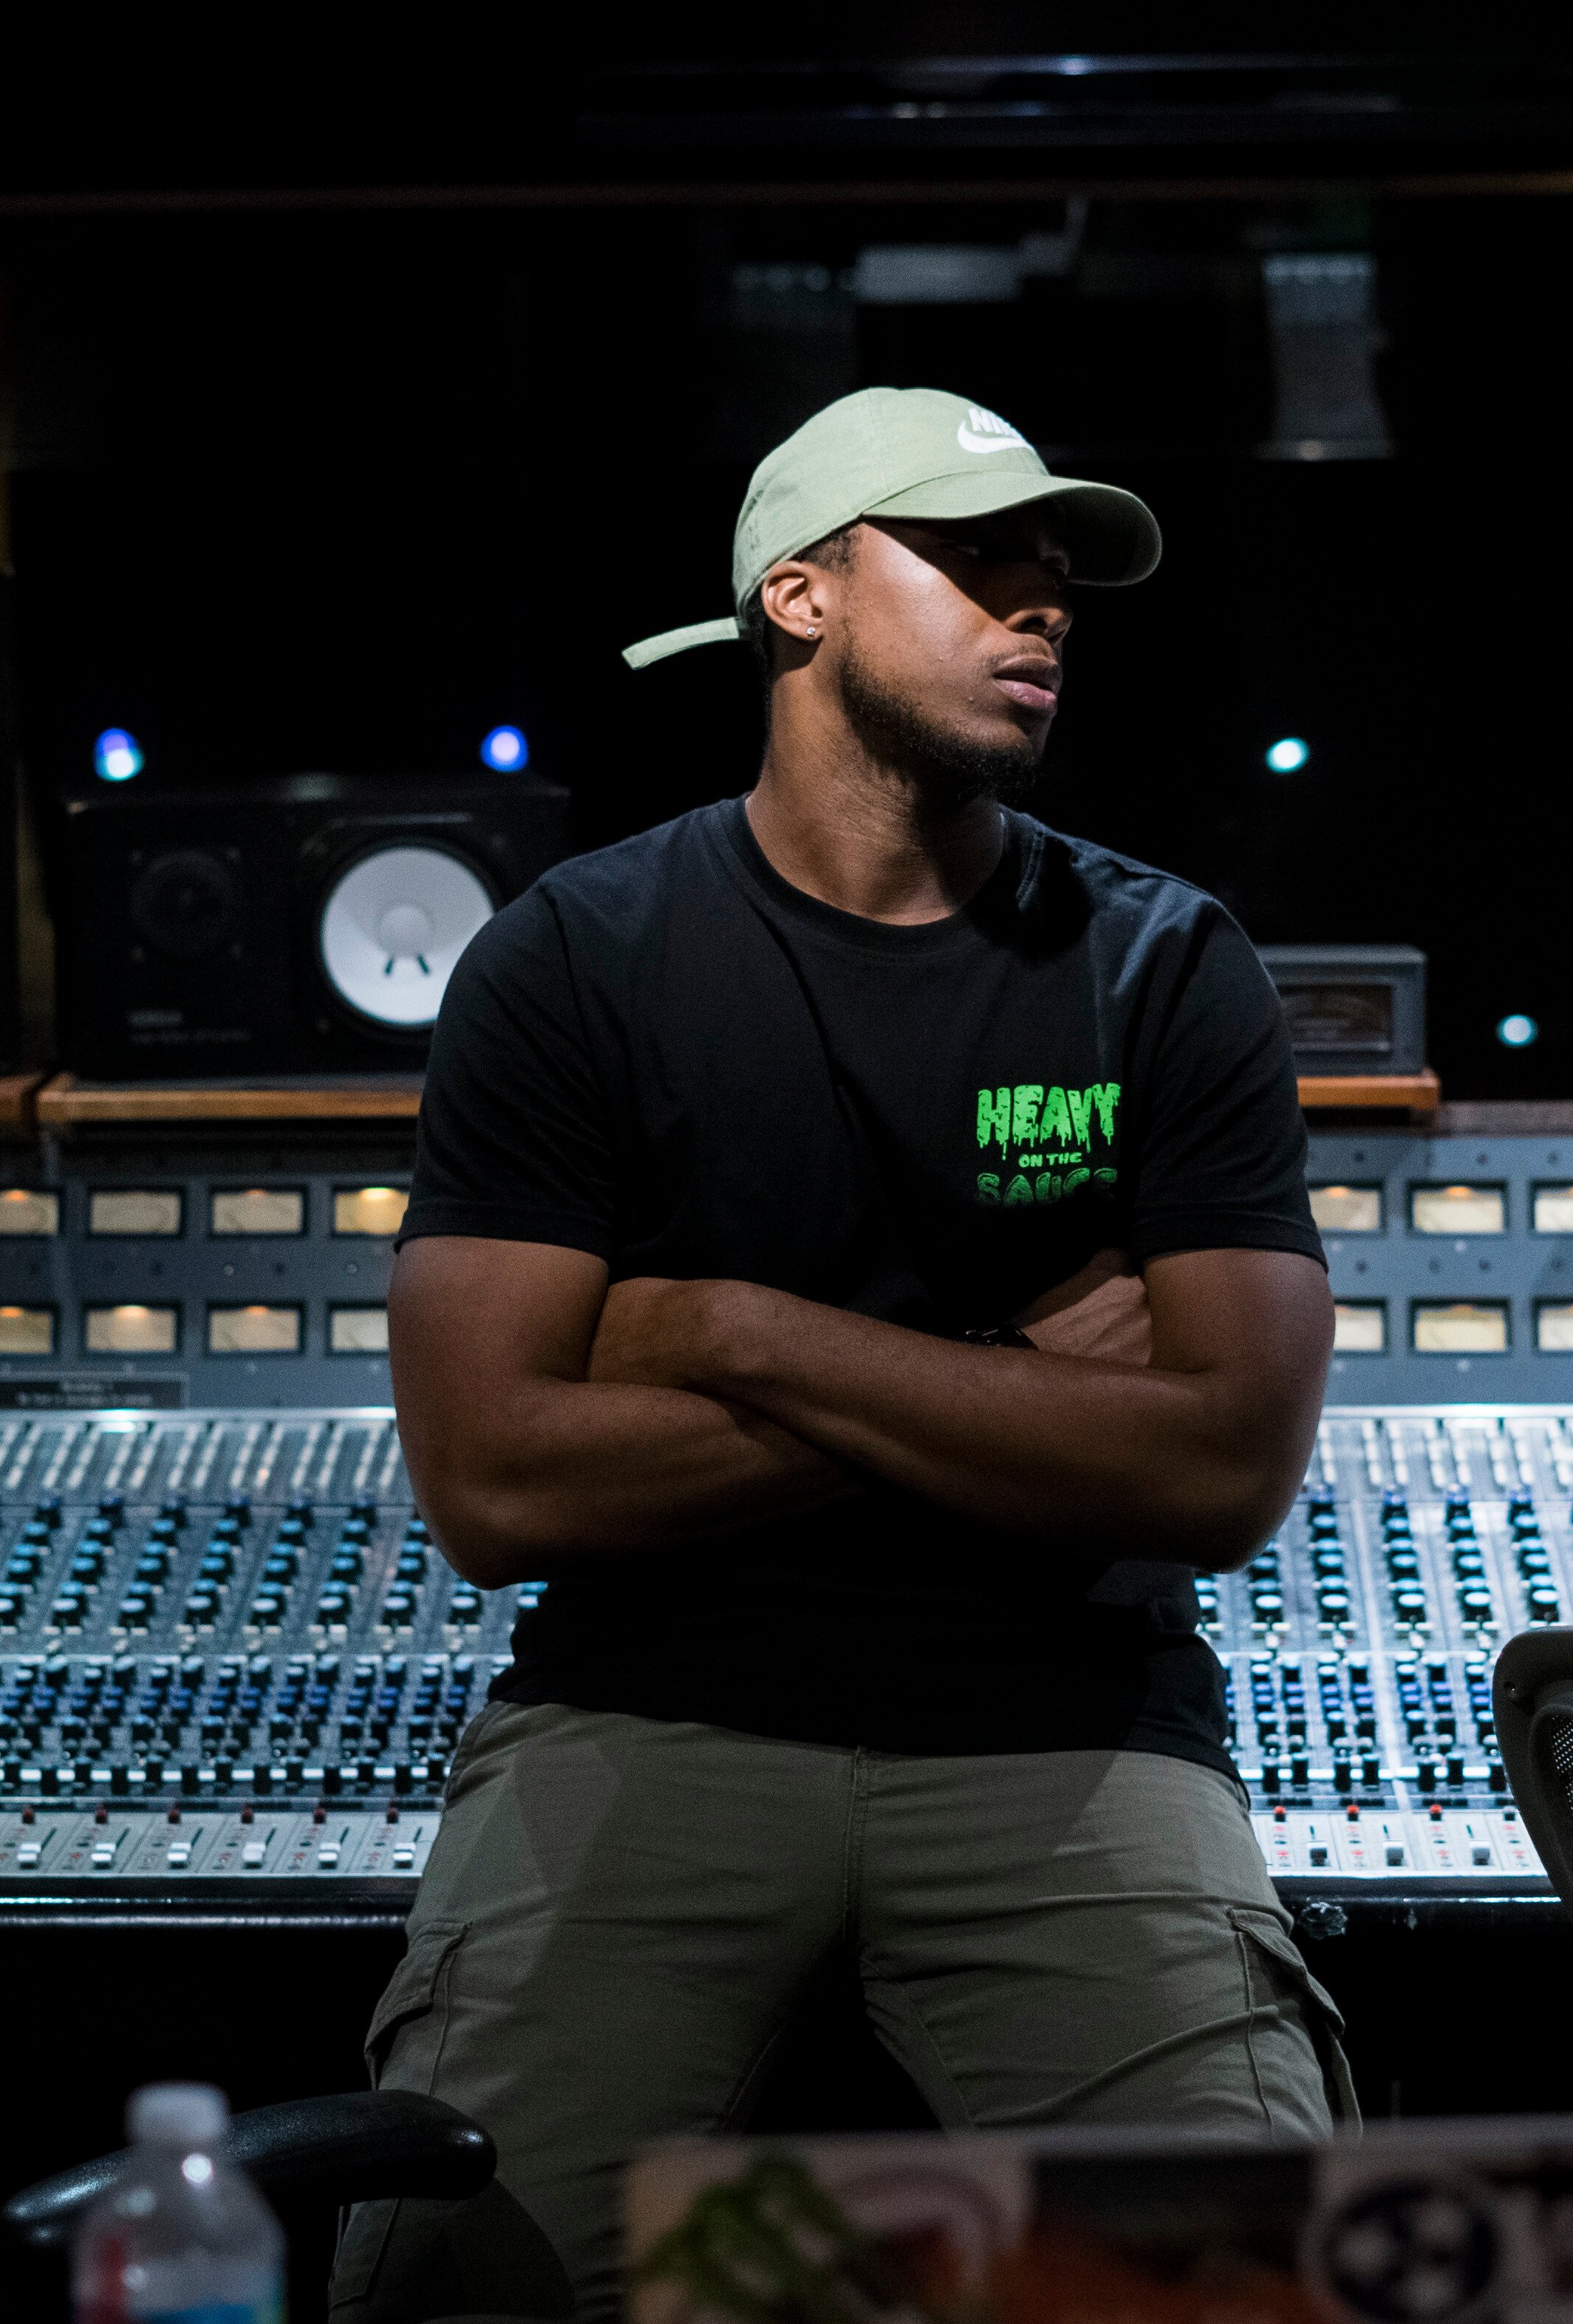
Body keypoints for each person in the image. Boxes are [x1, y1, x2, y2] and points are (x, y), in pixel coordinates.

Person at [338, 389, 1348, 2323]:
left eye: (1054, 572)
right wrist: (1018, 1369)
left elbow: (1221, 1467)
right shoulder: (572, 959)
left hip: (1068, 1724)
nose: (1041, 603)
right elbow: (494, 1482)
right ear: (796, 597)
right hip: (652, 1712)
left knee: (1240, 2284)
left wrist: (727, 1330)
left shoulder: (1164, 962)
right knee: (449, 2281)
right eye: (975, 559)